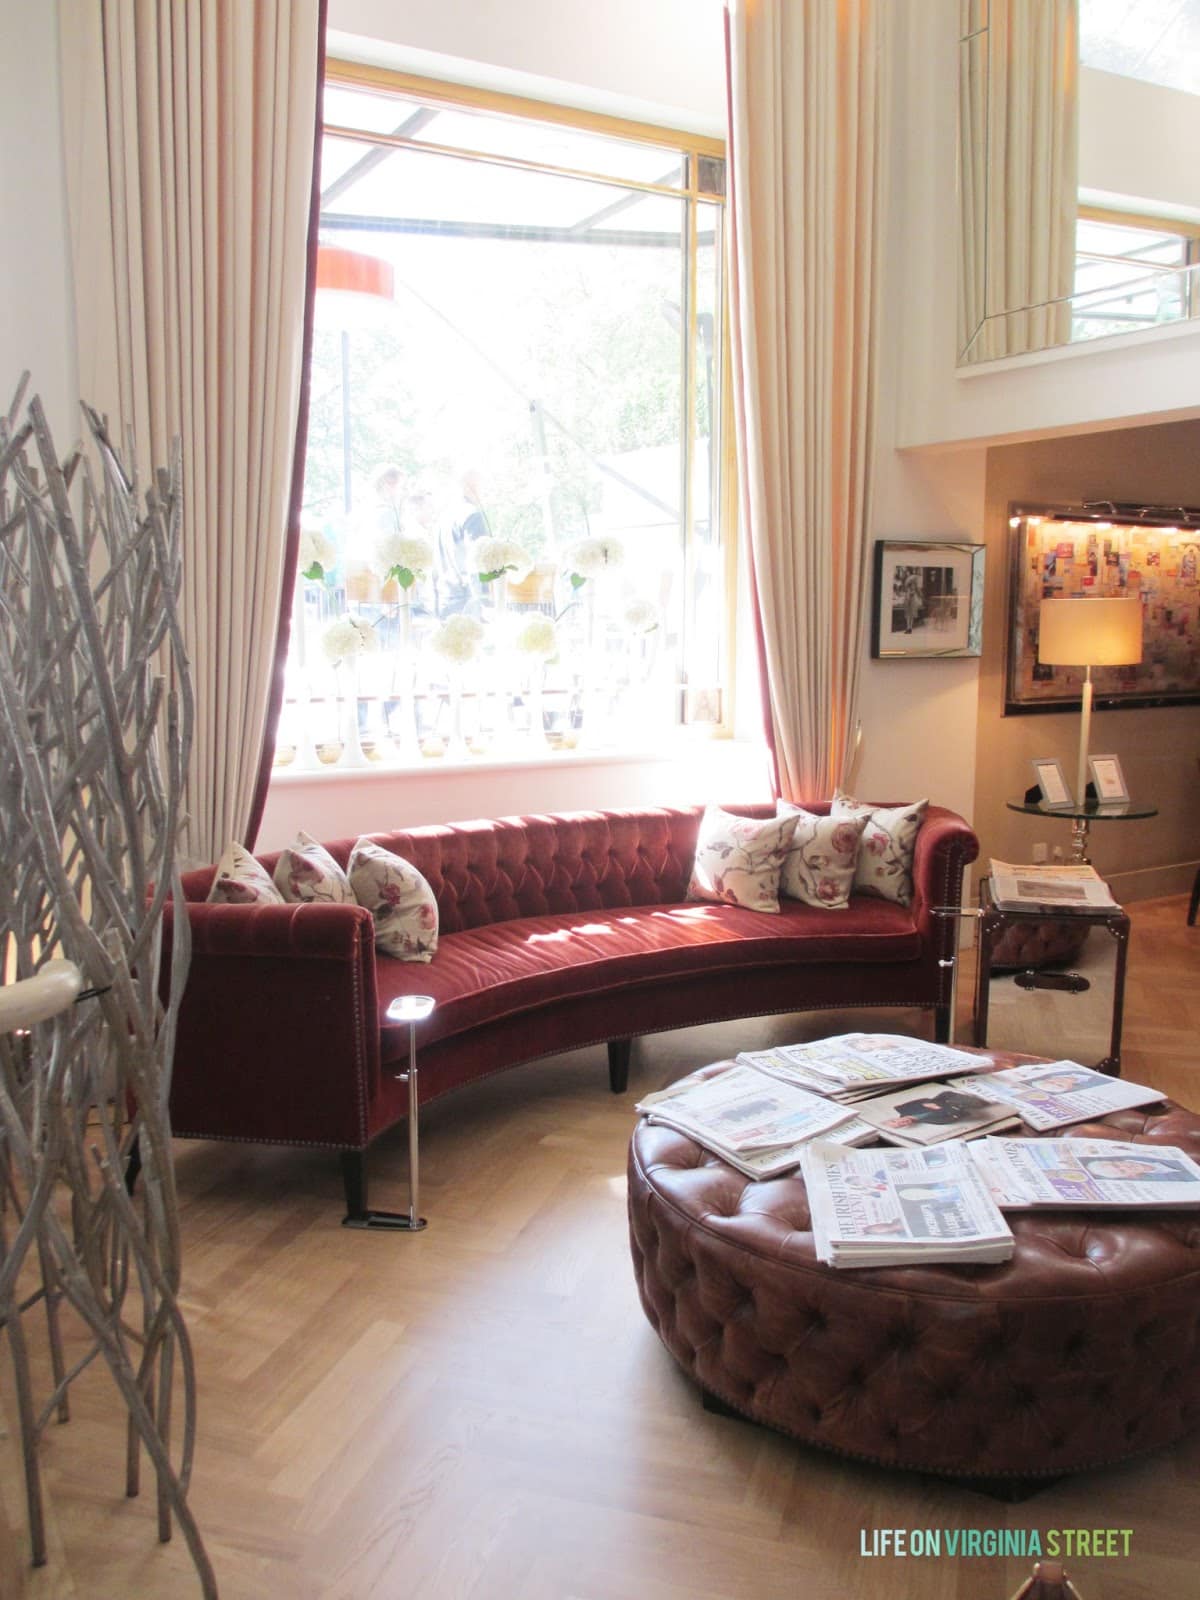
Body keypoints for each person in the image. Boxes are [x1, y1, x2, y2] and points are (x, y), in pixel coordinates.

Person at [881, 1088, 996, 1130]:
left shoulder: (902, 1109)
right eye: (900, 1125)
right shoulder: (933, 1122)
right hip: (966, 1105)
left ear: (893, 1118)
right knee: (984, 1102)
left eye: (895, 1121)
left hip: (948, 1097)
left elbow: (924, 1099)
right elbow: (954, 1117)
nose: (902, 1122)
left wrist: (927, 1104)